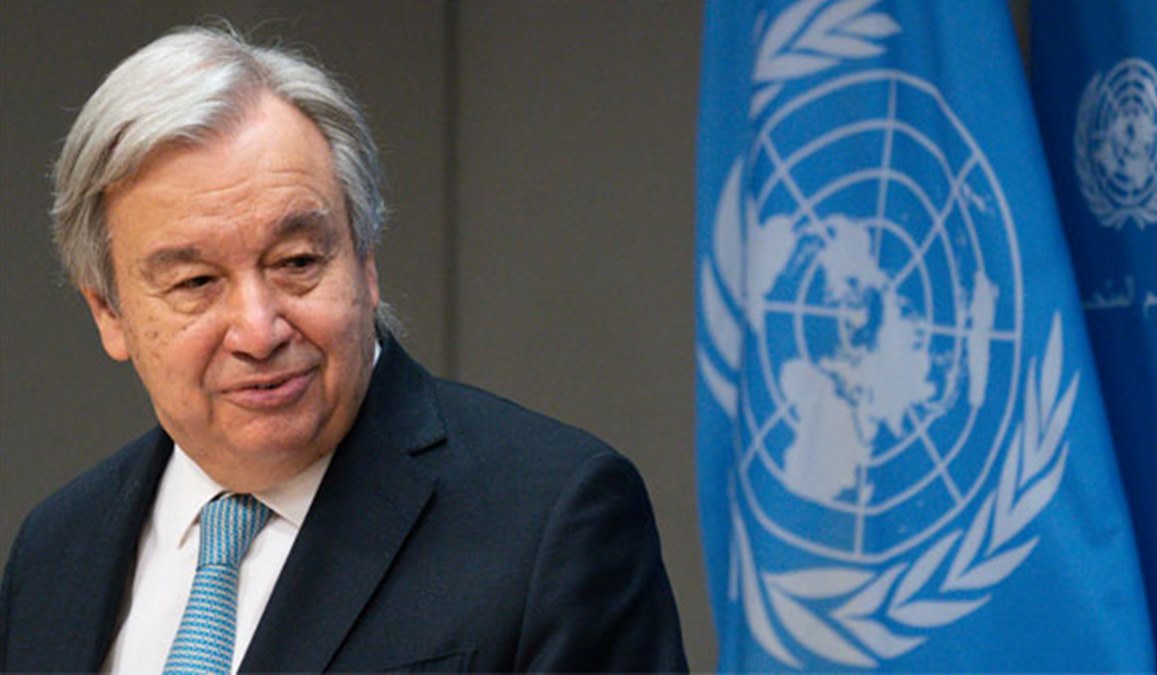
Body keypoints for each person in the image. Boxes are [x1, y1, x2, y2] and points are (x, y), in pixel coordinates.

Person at [0, 26, 687, 672]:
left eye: (297, 262)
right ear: (109, 312)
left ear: (365, 261)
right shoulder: (56, 550)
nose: (259, 331)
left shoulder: (551, 520)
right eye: (197, 282)